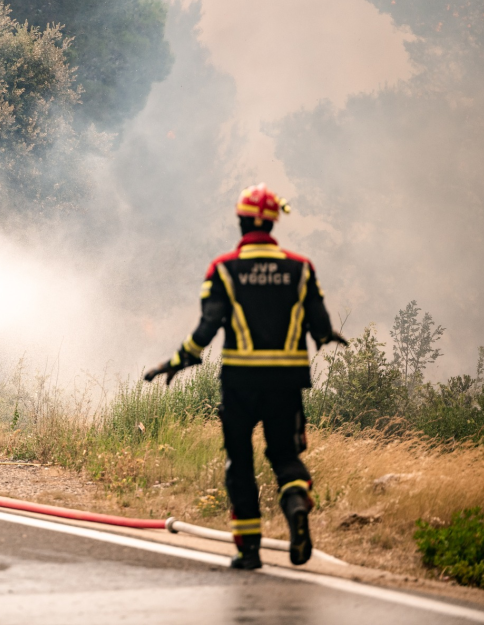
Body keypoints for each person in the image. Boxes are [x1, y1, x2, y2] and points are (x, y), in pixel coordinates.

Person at [145, 184, 347, 570]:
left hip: (240, 384)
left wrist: (176, 361)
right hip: (286, 384)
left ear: (240, 221)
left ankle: (248, 551)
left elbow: (207, 328)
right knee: (285, 455)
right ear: (273, 224)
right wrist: (325, 337)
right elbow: (320, 325)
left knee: (240, 463)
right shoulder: (300, 268)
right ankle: (295, 505)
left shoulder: (223, 268)